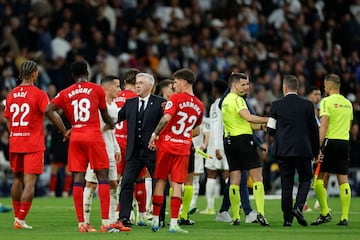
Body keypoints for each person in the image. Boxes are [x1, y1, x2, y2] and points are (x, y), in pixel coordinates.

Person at [45, 60, 118, 232]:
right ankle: (106, 223)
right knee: (103, 177)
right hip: (93, 134)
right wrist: (112, 123)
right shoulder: (97, 89)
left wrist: (64, 130)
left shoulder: (65, 92)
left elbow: (48, 109)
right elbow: (104, 114)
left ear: (72, 76)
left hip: (76, 135)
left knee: (78, 178)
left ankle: (82, 224)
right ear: (87, 72)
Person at [149, 68, 204, 234]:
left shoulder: (175, 98)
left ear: (184, 82)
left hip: (166, 145)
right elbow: (196, 129)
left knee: (160, 182)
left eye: (175, 82)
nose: (173, 86)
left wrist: (155, 134)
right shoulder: (200, 105)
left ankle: (156, 220)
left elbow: (166, 118)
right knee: (177, 184)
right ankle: (173, 222)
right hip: (183, 148)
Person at [267, 75, 319, 227]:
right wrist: (316, 152)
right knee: (305, 179)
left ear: (284, 88)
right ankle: (298, 207)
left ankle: (287, 219)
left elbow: (270, 129)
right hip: (304, 150)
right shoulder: (308, 105)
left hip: (284, 151)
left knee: (287, 184)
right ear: (298, 88)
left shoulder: (276, 105)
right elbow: (314, 130)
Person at [4, 60, 50, 229]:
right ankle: (21, 219)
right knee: (30, 182)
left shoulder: (12, 94)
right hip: (33, 143)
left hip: (15, 141)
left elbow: (8, 120)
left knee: (17, 179)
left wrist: (15, 132)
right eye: (37, 72)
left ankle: (17, 218)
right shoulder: (39, 94)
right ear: (33, 74)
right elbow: (49, 111)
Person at [117, 72, 166, 228]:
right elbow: (116, 118)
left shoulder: (161, 103)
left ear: (150, 86)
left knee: (158, 184)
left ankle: (159, 216)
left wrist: (158, 139)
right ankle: (124, 217)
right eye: (137, 83)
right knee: (126, 182)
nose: (137, 85)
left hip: (153, 151)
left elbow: (167, 124)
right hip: (134, 152)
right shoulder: (130, 103)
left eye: (141, 83)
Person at [83, 75, 131, 232]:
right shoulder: (96, 106)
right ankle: (85, 222)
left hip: (110, 150)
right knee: (91, 183)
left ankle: (112, 220)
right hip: (97, 150)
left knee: (113, 184)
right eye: (117, 86)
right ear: (107, 87)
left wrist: (116, 148)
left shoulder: (114, 107)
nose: (120, 90)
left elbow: (112, 131)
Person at [221, 72, 269, 226]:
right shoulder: (238, 100)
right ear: (234, 85)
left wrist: (261, 126)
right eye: (243, 84)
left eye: (248, 84)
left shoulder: (225, 101)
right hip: (243, 141)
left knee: (234, 179)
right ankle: (260, 213)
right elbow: (248, 117)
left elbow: (244, 122)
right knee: (257, 177)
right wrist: (267, 119)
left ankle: (235, 217)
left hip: (230, 142)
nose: (247, 87)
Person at [311, 74, 353, 226]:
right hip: (344, 143)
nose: (324, 89)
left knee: (318, 180)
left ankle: (324, 213)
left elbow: (324, 126)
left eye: (324, 86)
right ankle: (344, 217)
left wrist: (318, 147)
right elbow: (348, 127)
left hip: (329, 142)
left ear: (328, 87)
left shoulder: (326, 101)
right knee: (344, 180)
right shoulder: (348, 103)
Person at [114, 69, 150, 226]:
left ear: (123, 83)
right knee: (139, 179)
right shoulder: (137, 99)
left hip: (115, 142)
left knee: (119, 180)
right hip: (131, 144)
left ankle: (118, 212)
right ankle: (142, 214)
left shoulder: (114, 97)